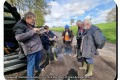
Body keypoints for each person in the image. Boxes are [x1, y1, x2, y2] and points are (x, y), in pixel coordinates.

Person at [13, 12, 43, 80]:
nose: (34, 21)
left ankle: (37, 68)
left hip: (37, 47)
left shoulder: (31, 24)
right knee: (30, 64)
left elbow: (32, 32)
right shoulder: (19, 25)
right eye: (32, 19)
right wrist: (33, 31)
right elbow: (19, 37)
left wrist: (38, 32)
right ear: (27, 18)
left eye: (34, 19)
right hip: (30, 49)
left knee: (38, 58)